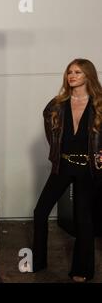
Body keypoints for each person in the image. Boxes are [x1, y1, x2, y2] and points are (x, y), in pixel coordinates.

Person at [33, 58, 102, 282]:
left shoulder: (99, 103)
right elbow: (50, 130)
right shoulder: (57, 104)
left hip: (87, 169)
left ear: (88, 76)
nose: (72, 76)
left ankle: (82, 270)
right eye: (70, 72)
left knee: (83, 219)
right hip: (63, 165)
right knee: (40, 211)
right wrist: (56, 150)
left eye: (78, 72)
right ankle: (38, 261)